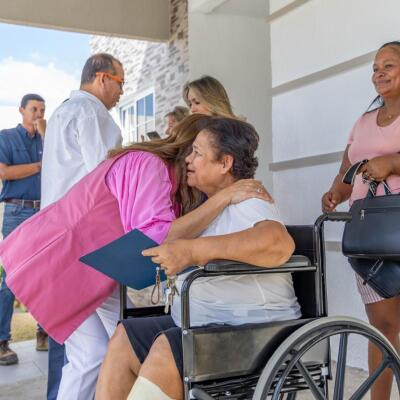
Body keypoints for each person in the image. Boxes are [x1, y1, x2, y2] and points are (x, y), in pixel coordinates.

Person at [0, 114, 269, 399]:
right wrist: (222, 199)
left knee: (121, 338)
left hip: (95, 270)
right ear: (186, 147)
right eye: (194, 151)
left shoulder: (166, 175)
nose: (193, 159)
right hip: (60, 258)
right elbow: (154, 238)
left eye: (200, 154)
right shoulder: (149, 165)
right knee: (90, 355)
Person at [95, 117, 300, 400]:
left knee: (166, 347)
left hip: (253, 331)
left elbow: (278, 243)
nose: (188, 159)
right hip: (200, 324)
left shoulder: (249, 199)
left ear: (225, 163)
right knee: (125, 338)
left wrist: (194, 251)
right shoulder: (211, 206)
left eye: (197, 153)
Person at [41, 52, 124, 400]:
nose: (121, 93)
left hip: (58, 240)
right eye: (120, 84)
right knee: (115, 343)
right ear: (102, 78)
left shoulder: (63, 112)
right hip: (88, 243)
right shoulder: (92, 112)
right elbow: (106, 179)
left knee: (90, 353)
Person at [321, 41, 400, 400]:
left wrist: (393, 162)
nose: (379, 73)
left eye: (389, 65)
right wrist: (335, 193)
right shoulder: (363, 122)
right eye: (375, 68)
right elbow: (347, 169)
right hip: (369, 237)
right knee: (381, 327)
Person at [0, 93, 47, 366]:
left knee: (45, 274)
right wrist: (39, 166)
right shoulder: (6, 137)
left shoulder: (46, 139)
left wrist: (46, 136)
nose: (38, 114)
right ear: (21, 110)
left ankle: (44, 333)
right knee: (11, 278)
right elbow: (5, 173)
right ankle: (2, 341)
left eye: (42, 110)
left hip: (44, 212)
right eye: (34, 109)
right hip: (16, 212)